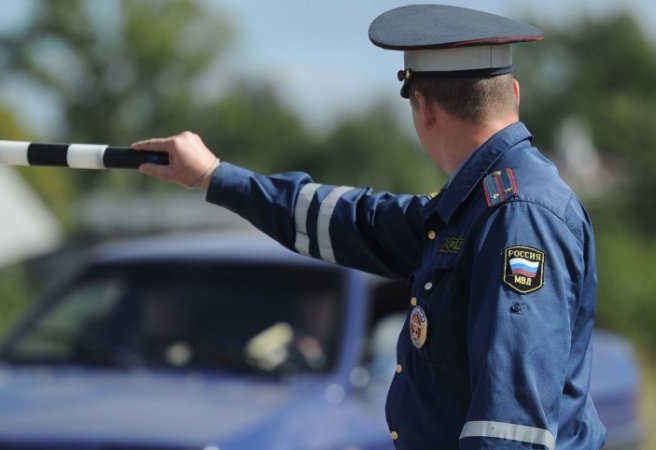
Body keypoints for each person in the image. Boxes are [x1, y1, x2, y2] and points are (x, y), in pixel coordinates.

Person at [130, 4, 605, 449]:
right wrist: (215, 175)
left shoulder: (514, 213)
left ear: (424, 107)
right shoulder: (477, 205)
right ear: (513, 94)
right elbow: (351, 219)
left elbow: (510, 428)